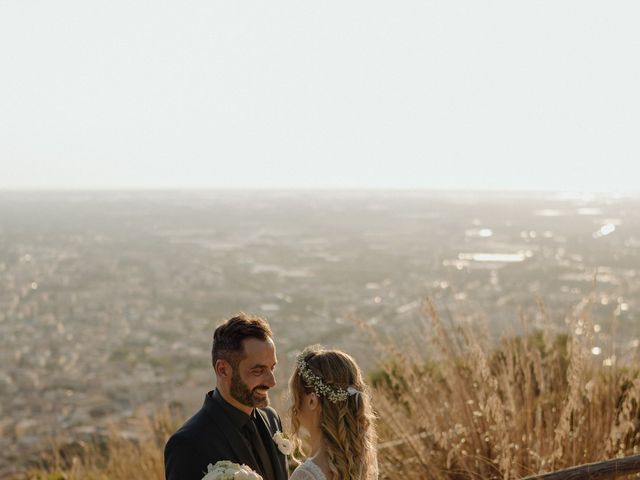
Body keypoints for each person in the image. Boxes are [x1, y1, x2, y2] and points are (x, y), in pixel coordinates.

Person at [164, 313, 289, 480]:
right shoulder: (188, 444)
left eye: (272, 368)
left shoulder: (272, 418)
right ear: (222, 369)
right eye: (258, 371)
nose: (271, 382)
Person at [288, 345, 378, 480]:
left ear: (312, 401)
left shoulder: (306, 476)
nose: (294, 405)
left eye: (295, 396)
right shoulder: (365, 464)